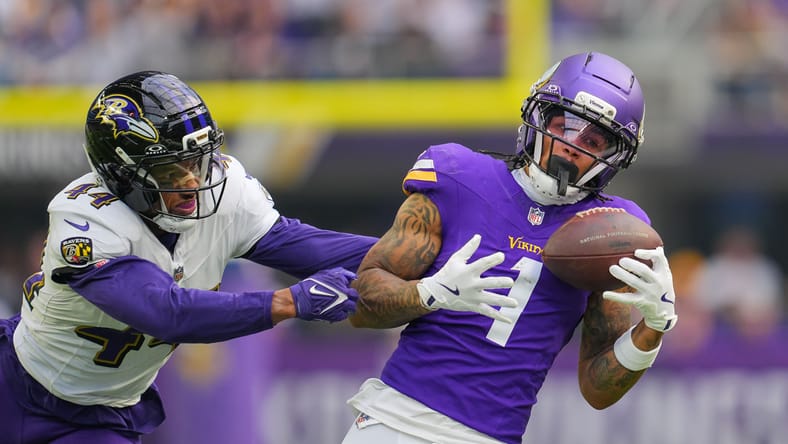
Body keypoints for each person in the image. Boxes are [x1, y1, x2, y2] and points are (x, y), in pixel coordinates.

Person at [0, 71, 377, 444]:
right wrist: (288, 302)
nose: (193, 182)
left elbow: (308, 246)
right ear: (121, 174)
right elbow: (166, 313)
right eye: (170, 170)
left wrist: (424, 253)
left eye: (197, 162)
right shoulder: (86, 219)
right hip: (12, 382)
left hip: (97, 416)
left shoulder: (226, 195)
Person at [341, 52, 678, 444]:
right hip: (395, 421)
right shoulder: (458, 176)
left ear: (613, 156)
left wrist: (653, 329)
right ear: (539, 117)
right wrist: (428, 294)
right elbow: (360, 307)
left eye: (593, 140)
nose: (573, 146)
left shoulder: (614, 231)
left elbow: (597, 390)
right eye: (565, 126)